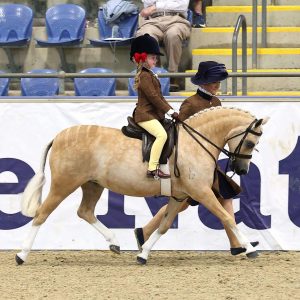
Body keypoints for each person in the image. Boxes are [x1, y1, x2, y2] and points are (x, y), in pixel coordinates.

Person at [134, 61, 258, 254]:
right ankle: (145, 232)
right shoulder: (190, 103)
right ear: (203, 82)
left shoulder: (216, 104)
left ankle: (235, 244)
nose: (217, 85)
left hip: (206, 166)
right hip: (192, 168)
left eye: (218, 81)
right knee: (181, 204)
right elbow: (180, 131)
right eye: (213, 81)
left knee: (223, 198)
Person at [130, 33, 179, 179]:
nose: (155, 61)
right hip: (145, 115)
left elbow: (161, 97)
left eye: (156, 58)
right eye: (153, 58)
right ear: (143, 59)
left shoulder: (150, 74)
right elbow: (153, 97)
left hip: (152, 114)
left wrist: (172, 111)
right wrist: (170, 111)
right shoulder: (145, 76)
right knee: (161, 135)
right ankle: (152, 168)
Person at [136, 0, 191, 92]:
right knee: (145, 35)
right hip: (153, 20)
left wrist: (155, 6)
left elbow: (182, 5)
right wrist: (169, 4)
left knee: (173, 34)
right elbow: (147, 3)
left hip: (176, 19)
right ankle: (155, 73)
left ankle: (172, 75)